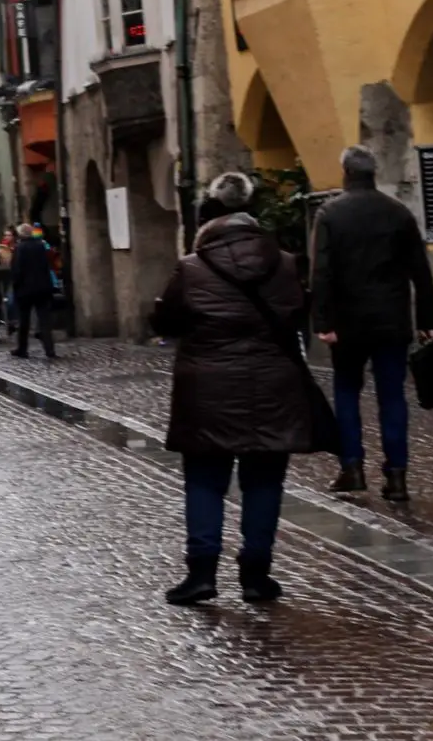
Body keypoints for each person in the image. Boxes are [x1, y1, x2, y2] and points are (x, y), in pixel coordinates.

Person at [152, 173, 319, 606]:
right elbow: (300, 311)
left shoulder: (191, 268)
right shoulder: (285, 263)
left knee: (205, 480)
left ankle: (202, 573)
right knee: (264, 480)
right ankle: (256, 575)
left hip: (207, 387)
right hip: (272, 384)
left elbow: (165, 324)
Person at [310, 145, 433, 502]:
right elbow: (420, 272)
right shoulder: (398, 213)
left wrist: (323, 321)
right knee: (392, 396)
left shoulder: (330, 214)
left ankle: (352, 467)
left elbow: (321, 271)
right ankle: (396, 476)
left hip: (348, 322)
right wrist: (426, 320)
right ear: (373, 172)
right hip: (391, 319)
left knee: (347, 393)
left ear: (345, 172)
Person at [9, 224, 59, 360]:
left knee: (24, 321)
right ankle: (50, 350)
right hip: (43, 288)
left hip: (25, 290)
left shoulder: (20, 248)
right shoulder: (40, 246)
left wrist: (15, 285)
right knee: (44, 320)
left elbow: (17, 270)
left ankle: (22, 349)